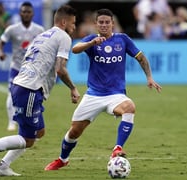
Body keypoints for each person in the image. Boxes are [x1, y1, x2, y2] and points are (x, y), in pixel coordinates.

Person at [0, 5, 80, 176]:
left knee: (39, 132)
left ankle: (2, 167)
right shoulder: (64, 37)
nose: (74, 27)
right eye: (73, 23)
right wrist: (73, 88)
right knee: (27, 139)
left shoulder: (42, 35)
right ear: (64, 22)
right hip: (30, 89)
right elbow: (60, 69)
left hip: (22, 85)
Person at [45, 8, 162, 171]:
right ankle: (62, 159)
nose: (104, 25)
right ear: (96, 24)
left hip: (116, 95)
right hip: (93, 95)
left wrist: (149, 77)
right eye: (101, 22)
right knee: (74, 132)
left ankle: (117, 148)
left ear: (113, 24)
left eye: (107, 22)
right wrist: (92, 43)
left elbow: (141, 57)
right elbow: (75, 49)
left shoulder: (123, 40)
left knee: (130, 108)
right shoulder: (92, 40)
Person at [0, 1, 45, 131]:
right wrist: (1, 53)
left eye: (28, 12)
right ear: (20, 13)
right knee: (11, 94)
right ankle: (12, 122)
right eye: (24, 12)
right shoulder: (12, 29)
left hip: (32, 70)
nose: (26, 14)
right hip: (16, 68)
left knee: (33, 97)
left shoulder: (39, 30)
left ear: (33, 14)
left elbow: (46, 47)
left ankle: (34, 123)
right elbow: (0, 43)